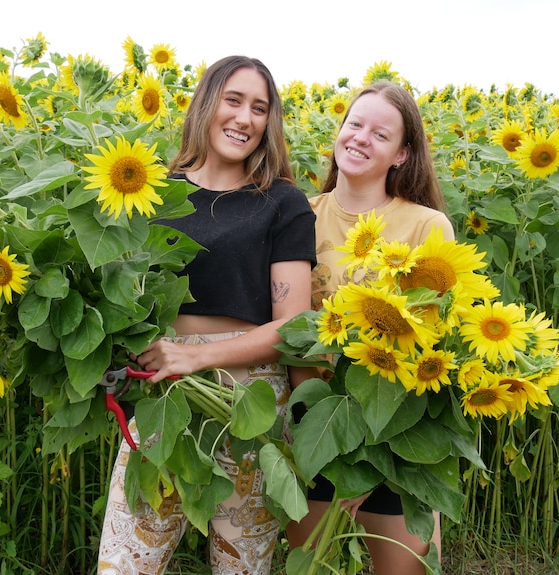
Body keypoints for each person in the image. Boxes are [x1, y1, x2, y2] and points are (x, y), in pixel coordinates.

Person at [97, 55, 316, 575]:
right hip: (164, 392)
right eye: (233, 100)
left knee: (242, 567)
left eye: (259, 108)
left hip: (248, 398)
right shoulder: (154, 190)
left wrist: (197, 358)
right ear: (206, 103)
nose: (244, 118)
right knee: (124, 562)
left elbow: (293, 326)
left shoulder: (283, 203)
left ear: (270, 123)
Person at [286, 81, 452, 575]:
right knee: (312, 564)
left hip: (398, 435)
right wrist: (323, 439)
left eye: (380, 134)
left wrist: (366, 459)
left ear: (402, 154)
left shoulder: (426, 227)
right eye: (354, 124)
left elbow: (430, 343)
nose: (360, 138)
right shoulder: (301, 216)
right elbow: (290, 333)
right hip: (318, 422)